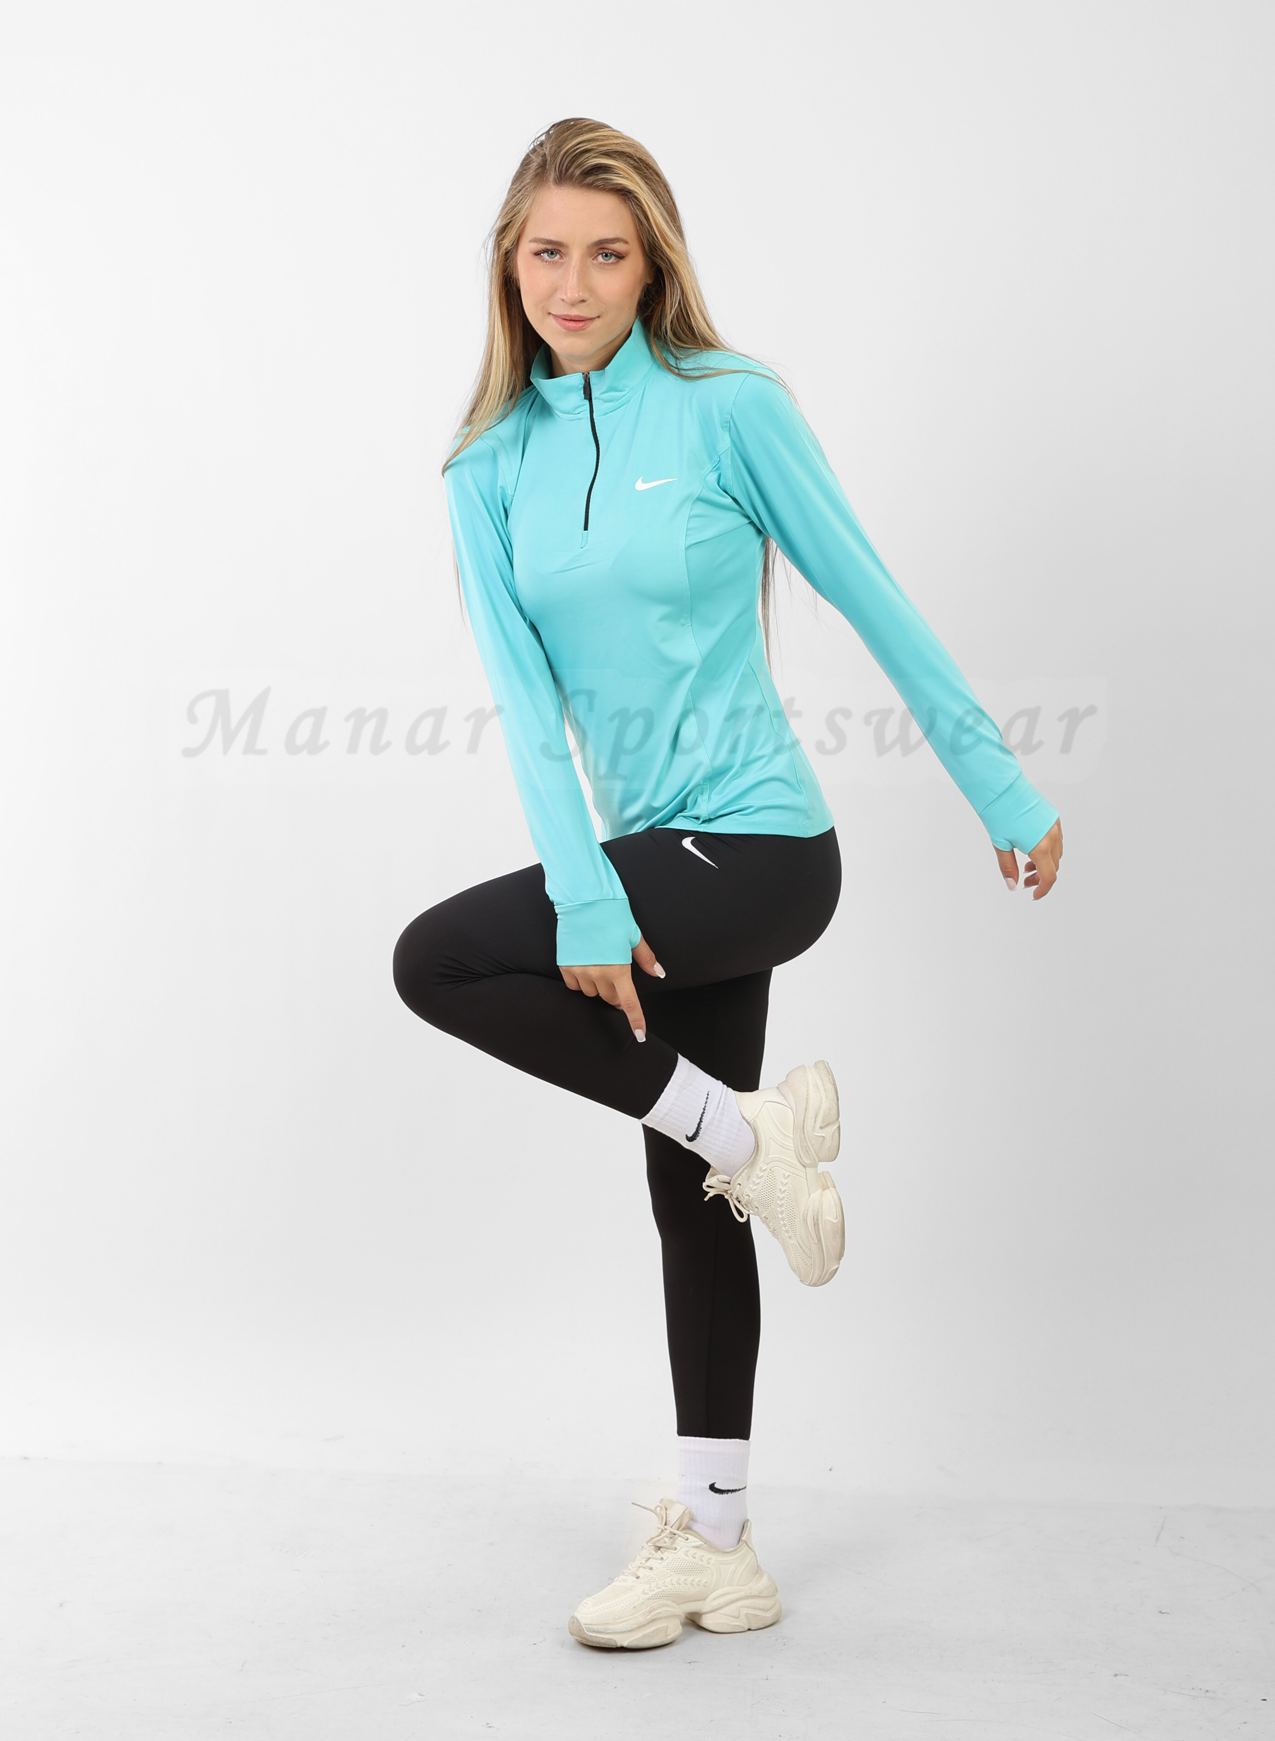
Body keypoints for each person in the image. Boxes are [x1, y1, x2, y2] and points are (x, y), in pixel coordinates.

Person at [393, 116, 1063, 1651]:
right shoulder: (485, 469)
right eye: (547, 251)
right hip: (642, 866)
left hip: (758, 850)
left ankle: (746, 1135)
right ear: (508, 263)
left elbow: (865, 591)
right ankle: (718, 1544)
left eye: (606, 253)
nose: (573, 282)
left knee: (435, 959)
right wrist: (584, 895)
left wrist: (1003, 788)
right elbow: (524, 710)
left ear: (652, 267)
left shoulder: (726, 407)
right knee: (689, 1191)